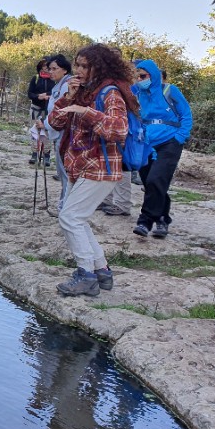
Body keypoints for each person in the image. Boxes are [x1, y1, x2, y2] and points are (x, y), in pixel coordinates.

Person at [48, 43, 138, 296]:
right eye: (77, 64)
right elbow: (54, 123)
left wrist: (85, 112)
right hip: (81, 167)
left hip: (101, 167)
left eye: (84, 66)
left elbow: (118, 130)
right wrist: (68, 98)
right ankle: (101, 271)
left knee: (69, 217)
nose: (78, 70)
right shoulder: (81, 91)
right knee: (78, 218)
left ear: (99, 67)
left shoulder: (110, 92)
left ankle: (85, 274)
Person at [131, 60, 193, 238]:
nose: (139, 79)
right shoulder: (137, 92)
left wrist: (180, 137)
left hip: (169, 143)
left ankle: (145, 221)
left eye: (143, 76)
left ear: (153, 74)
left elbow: (186, 114)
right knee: (153, 183)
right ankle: (163, 219)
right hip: (146, 143)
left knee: (155, 180)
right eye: (137, 76)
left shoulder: (169, 90)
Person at [41, 54, 72, 212]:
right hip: (57, 131)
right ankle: (63, 204)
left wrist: (45, 124)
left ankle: (65, 207)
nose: (51, 72)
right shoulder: (59, 85)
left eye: (54, 69)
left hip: (64, 133)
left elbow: (61, 112)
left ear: (64, 70)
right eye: (49, 69)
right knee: (61, 171)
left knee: (65, 172)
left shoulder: (67, 86)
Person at [28, 60, 55, 164]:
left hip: (48, 110)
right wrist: (38, 96)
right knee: (34, 131)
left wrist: (47, 96)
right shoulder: (36, 78)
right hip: (36, 108)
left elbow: (56, 93)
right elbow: (30, 93)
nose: (46, 69)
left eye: (47, 67)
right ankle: (34, 154)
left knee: (47, 132)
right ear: (40, 67)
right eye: (44, 66)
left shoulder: (54, 80)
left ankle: (46, 155)